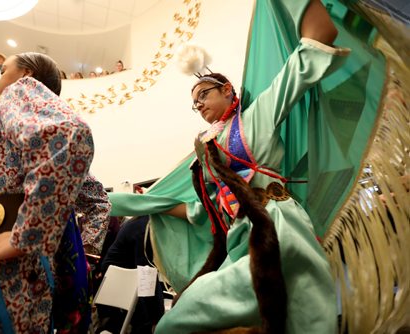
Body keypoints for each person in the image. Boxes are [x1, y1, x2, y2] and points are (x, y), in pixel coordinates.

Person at [109, 0, 350, 333]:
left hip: (277, 225)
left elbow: (311, 51)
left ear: (226, 90)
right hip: (238, 237)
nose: (198, 105)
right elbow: (192, 208)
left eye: (203, 95)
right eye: (194, 104)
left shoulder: (256, 117)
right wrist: (112, 202)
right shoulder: (205, 153)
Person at [0, 52, 105, 333]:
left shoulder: (20, 92)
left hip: (15, 265)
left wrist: (25, 235)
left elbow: (69, 135)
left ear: (25, 74)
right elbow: (96, 199)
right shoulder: (6, 117)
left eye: (2, 70)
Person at [99, 216, 164, 334]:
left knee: (149, 309)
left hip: (118, 274)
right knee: (147, 316)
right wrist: (158, 316)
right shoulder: (145, 228)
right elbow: (146, 272)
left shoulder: (142, 221)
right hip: (121, 277)